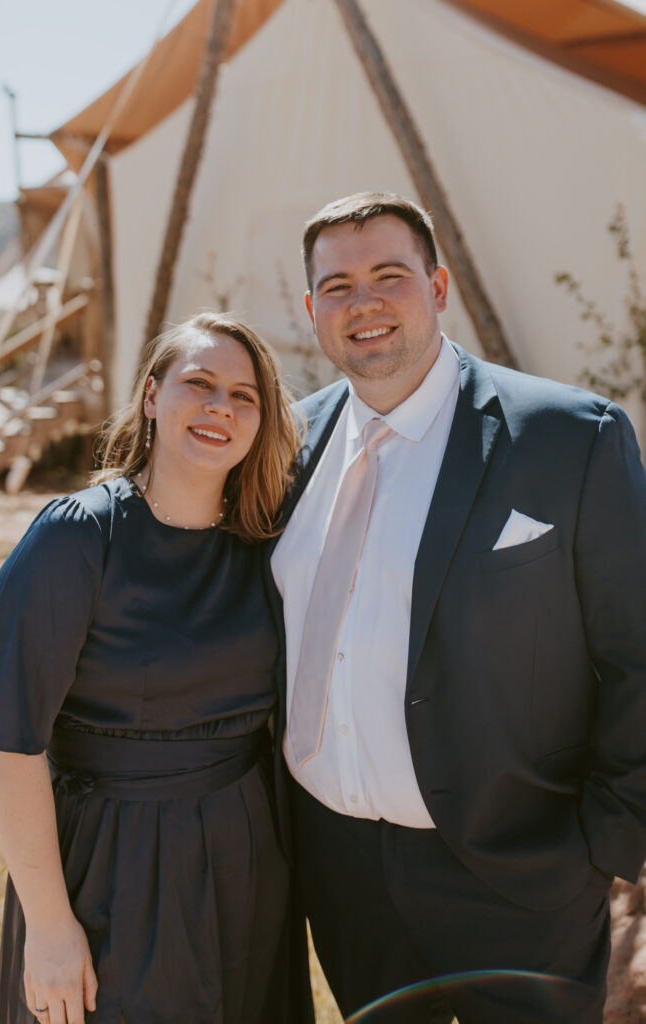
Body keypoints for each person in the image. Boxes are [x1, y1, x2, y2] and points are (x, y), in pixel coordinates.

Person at [269, 192, 646, 1023]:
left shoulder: (570, 437)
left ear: (438, 287)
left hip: (520, 875)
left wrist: (602, 850)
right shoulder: (284, 445)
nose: (362, 303)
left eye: (388, 275)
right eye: (336, 287)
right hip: (339, 870)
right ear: (310, 310)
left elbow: (637, 655)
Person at [0, 312, 311, 1024]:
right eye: (200, 384)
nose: (221, 407)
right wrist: (53, 928)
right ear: (152, 396)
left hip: (244, 860)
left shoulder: (265, 541)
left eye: (244, 396)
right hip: (111, 864)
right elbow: (8, 741)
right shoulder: (79, 535)